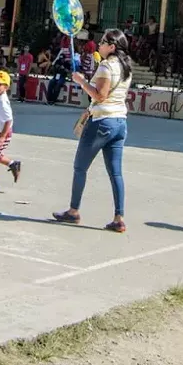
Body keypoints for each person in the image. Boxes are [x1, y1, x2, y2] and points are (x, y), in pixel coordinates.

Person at [54, 29, 133, 233]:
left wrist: (81, 81)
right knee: (115, 172)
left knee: (80, 167)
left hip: (102, 121)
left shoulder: (107, 66)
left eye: (103, 42)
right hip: (120, 122)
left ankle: (73, 210)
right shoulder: (126, 67)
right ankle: (119, 217)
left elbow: (100, 96)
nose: (99, 44)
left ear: (112, 47)